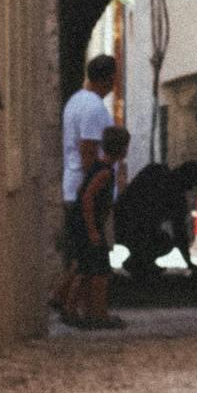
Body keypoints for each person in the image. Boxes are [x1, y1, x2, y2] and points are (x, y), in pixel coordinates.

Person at [53, 54, 117, 322]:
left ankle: (67, 301)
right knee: (91, 256)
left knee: (82, 254)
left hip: (74, 186)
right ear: (109, 78)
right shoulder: (93, 108)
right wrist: (98, 188)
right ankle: (84, 309)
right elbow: (88, 151)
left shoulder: (75, 101)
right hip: (86, 189)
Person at [72, 124, 131, 329]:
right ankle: (98, 314)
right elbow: (87, 197)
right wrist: (92, 230)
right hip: (91, 225)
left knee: (89, 269)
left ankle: (88, 313)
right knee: (100, 273)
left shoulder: (98, 167)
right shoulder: (105, 173)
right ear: (122, 148)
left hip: (89, 224)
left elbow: (81, 190)